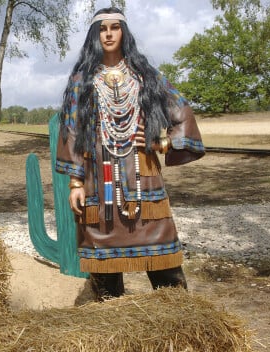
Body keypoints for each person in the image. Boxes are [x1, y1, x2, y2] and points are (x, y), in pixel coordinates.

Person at [57, 7, 205, 299]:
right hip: (98, 177)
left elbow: (181, 110)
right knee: (104, 261)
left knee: (162, 257)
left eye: (115, 27)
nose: (109, 34)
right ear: (94, 35)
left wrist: (162, 143)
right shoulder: (82, 80)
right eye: (102, 28)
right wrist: (75, 183)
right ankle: (111, 324)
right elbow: (72, 130)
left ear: (124, 32)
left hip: (142, 174)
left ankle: (180, 318)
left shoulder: (144, 75)